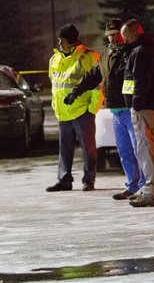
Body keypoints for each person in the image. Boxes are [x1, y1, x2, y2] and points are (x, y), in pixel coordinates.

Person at [64, 18, 145, 200]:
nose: (113, 39)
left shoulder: (132, 51)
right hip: (115, 110)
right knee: (124, 151)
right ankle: (132, 186)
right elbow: (93, 76)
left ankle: (144, 187)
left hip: (131, 109)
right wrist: (76, 91)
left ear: (123, 34)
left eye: (116, 35)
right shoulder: (105, 53)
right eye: (109, 36)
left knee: (139, 150)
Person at [46, 23, 102, 192]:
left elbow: (97, 86)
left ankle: (88, 180)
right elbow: (54, 84)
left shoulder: (89, 57)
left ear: (71, 40)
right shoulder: (55, 58)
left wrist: (92, 109)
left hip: (82, 110)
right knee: (65, 149)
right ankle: (64, 181)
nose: (59, 43)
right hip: (63, 112)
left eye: (62, 40)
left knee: (88, 148)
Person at [120, 19, 154, 207]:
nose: (124, 40)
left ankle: (151, 191)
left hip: (144, 107)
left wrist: (137, 101)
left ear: (135, 32)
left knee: (145, 147)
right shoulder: (152, 48)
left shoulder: (140, 51)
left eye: (126, 36)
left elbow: (141, 79)